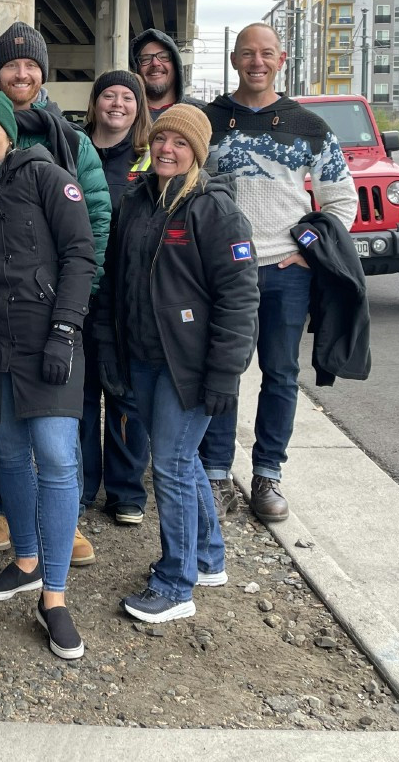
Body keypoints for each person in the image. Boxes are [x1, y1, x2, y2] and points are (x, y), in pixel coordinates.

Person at [0, 22, 109, 563]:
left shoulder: (69, 144)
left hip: (50, 316)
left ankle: (61, 529)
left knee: (56, 444)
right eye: (11, 64)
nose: (21, 72)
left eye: (30, 64)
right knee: (2, 437)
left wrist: (71, 308)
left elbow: (92, 225)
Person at [0, 91, 96, 660]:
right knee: (9, 451)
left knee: (56, 457)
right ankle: (28, 559)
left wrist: (64, 330)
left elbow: (81, 255)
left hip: (47, 338)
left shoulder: (47, 177)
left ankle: (54, 597)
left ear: (10, 134)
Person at [95, 105, 259, 623]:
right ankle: (208, 558)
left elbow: (239, 298)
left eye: (180, 144)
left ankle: (175, 585)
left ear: (197, 154)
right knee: (180, 461)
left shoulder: (215, 211)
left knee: (168, 463)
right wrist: (112, 349)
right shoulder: (136, 201)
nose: (167, 149)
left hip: (189, 367)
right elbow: (118, 283)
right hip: (142, 357)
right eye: (161, 139)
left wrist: (224, 373)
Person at [198, 24, 357, 522]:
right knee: (223, 371)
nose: (257, 62)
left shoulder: (308, 126)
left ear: (281, 59)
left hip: (287, 271)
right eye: (248, 53)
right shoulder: (207, 121)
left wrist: (310, 253)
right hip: (224, 272)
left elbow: (342, 198)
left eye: (266, 53)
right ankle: (217, 474)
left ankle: (268, 474)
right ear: (233, 59)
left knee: (281, 374)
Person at [79, 71, 152, 525]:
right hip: (79, 288)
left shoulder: (148, 157)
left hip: (128, 295)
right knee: (80, 394)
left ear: (139, 106)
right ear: (95, 102)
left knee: (125, 394)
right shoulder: (72, 146)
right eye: (110, 94)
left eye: (129, 96)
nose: (118, 104)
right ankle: (82, 486)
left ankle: (126, 491)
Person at [130, 27, 199, 117]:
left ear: (176, 65)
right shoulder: (124, 117)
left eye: (163, 57)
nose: (155, 63)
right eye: (145, 59)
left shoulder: (200, 113)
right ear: (136, 69)